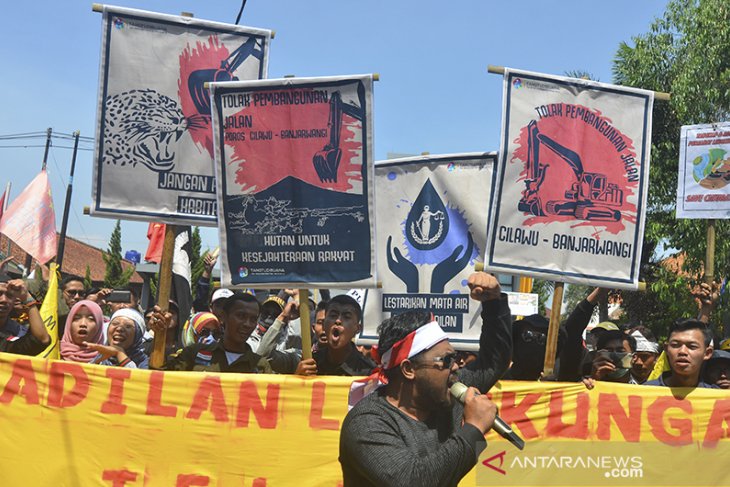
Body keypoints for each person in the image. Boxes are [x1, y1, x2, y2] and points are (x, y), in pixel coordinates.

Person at [339, 272, 511, 487]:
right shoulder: (367, 423)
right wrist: (473, 429)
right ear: (409, 369)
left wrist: (494, 303)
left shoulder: (447, 395)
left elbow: (492, 361)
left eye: (455, 357)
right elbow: (413, 481)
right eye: (446, 360)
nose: (456, 366)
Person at [153, 292, 272, 373]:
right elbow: (158, 379)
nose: (247, 324)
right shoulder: (194, 354)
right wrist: (160, 335)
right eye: (241, 316)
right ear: (224, 317)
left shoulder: (260, 366)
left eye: (253, 319)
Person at [296, 295, 376, 377]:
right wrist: (299, 378)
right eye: (333, 315)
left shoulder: (368, 371)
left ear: (358, 329)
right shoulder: (310, 363)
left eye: (346, 317)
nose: (338, 321)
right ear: (324, 324)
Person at [644, 318, 716, 388]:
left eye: (692, 346)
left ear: (707, 353)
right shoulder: (644, 393)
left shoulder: (717, 397)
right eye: (675, 345)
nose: (682, 351)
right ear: (666, 349)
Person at [502, 314, 565, 380]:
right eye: (527, 335)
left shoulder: (553, 386)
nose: (533, 341)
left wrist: (548, 388)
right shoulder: (497, 382)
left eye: (541, 337)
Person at [0, 278, 50, 355]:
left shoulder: (12, 336)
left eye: (9, 295)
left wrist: (27, 297)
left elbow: (42, 340)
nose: (4, 300)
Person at [85, 308, 149, 368]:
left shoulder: (145, 364)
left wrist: (120, 354)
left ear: (137, 335)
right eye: (115, 323)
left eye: (128, 326)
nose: (119, 329)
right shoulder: (98, 358)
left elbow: (136, 378)